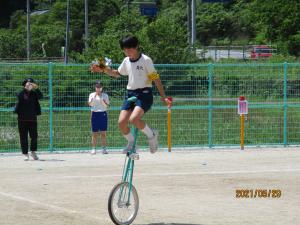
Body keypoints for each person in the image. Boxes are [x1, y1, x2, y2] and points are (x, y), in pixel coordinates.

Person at [91, 35, 169, 153]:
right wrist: (103, 69)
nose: (128, 52)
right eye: (125, 49)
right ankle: (132, 143)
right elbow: (117, 73)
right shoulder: (126, 61)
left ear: (137, 46)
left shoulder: (146, 60)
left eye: (130, 49)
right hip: (131, 94)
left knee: (133, 119)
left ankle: (152, 135)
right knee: (121, 123)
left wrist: (163, 97)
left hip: (144, 94)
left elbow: (156, 79)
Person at [14, 78, 43, 160]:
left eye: (31, 83)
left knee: (34, 136)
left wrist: (36, 88)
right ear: (24, 85)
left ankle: (33, 152)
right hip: (22, 119)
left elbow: (41, 97)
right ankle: (25, 153)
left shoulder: (34, 94)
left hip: (32, 119)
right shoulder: (20, 93)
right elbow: (19, 97)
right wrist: (26, 89)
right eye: (28, 83)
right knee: (23, 137)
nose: (29, 85)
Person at [88, 81, 110, 154]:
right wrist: (94, 98)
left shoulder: (105, 95)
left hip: (103, 114)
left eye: (100, 87)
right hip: (94, 114)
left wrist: (102, 100)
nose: (98, 88)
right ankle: (93, 148)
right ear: (95, 87)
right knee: (94, 133)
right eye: (97, 87)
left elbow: (106, 106)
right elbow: (90, 104)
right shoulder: (92, 95)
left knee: (103, 133)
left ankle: (104, 149)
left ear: (102, 88)